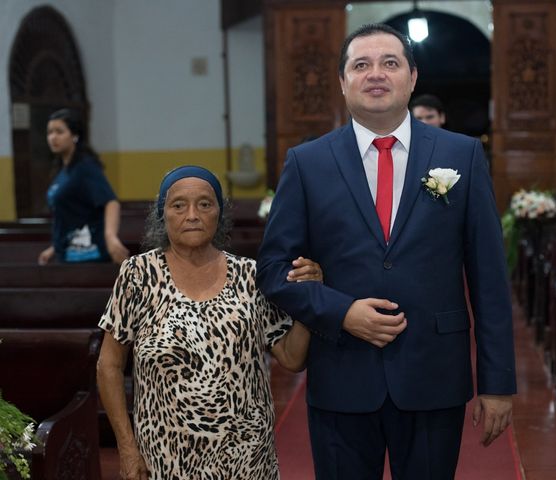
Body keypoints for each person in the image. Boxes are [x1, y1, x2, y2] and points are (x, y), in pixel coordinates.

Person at [257, 23, 516, 480]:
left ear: (412, 78)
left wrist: (497, 384)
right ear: (342, 82)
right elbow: (274, 271)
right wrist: (342, 311)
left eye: (390, 63)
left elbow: (489, 278)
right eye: (361, 65)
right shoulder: (307, 163)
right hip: (342, 374)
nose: (375, 74)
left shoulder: (462, 156)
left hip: (433, 374)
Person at [96, 165, 322, 480]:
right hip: (165, 456)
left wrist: (311, 297)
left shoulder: (249, 275)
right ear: (163, 214)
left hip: (246, 456)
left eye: (205, 204)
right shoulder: (138, 275)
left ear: (219, 213)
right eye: (178, 205)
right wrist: (127, 448)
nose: (192, 215)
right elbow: (108, 365)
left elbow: (292, 357)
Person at [38, 108, 129, 264]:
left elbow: (110, 202)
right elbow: (72, 215)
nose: (53, 137)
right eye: (50, 132)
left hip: (89, 254)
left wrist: (110, 237)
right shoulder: (62, 170)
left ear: (74, 136)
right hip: (67, 252)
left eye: (59, 132)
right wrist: (54, 248)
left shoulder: (85, 167)